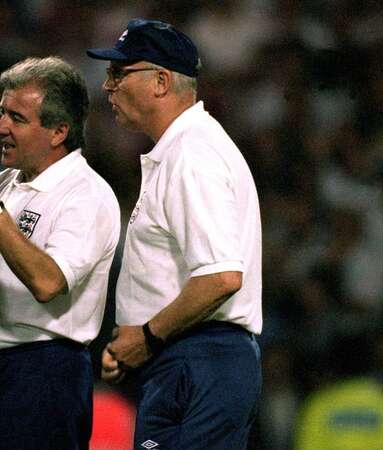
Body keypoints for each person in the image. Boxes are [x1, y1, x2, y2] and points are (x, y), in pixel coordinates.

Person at [87, 18, 263, 449]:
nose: (107, 86)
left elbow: (221, 276)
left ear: (161, 81)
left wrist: (145, 338)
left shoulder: (193, 155)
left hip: (201, 358)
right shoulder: (182, 150)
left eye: (119, 73)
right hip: (187, 358)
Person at [0, 56, 120, 449]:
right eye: (2, 113)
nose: (0, 127)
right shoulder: (5, 185)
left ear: (58, 131)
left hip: (42, 376)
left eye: (16, 118)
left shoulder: (86, 195)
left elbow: (48, 281)